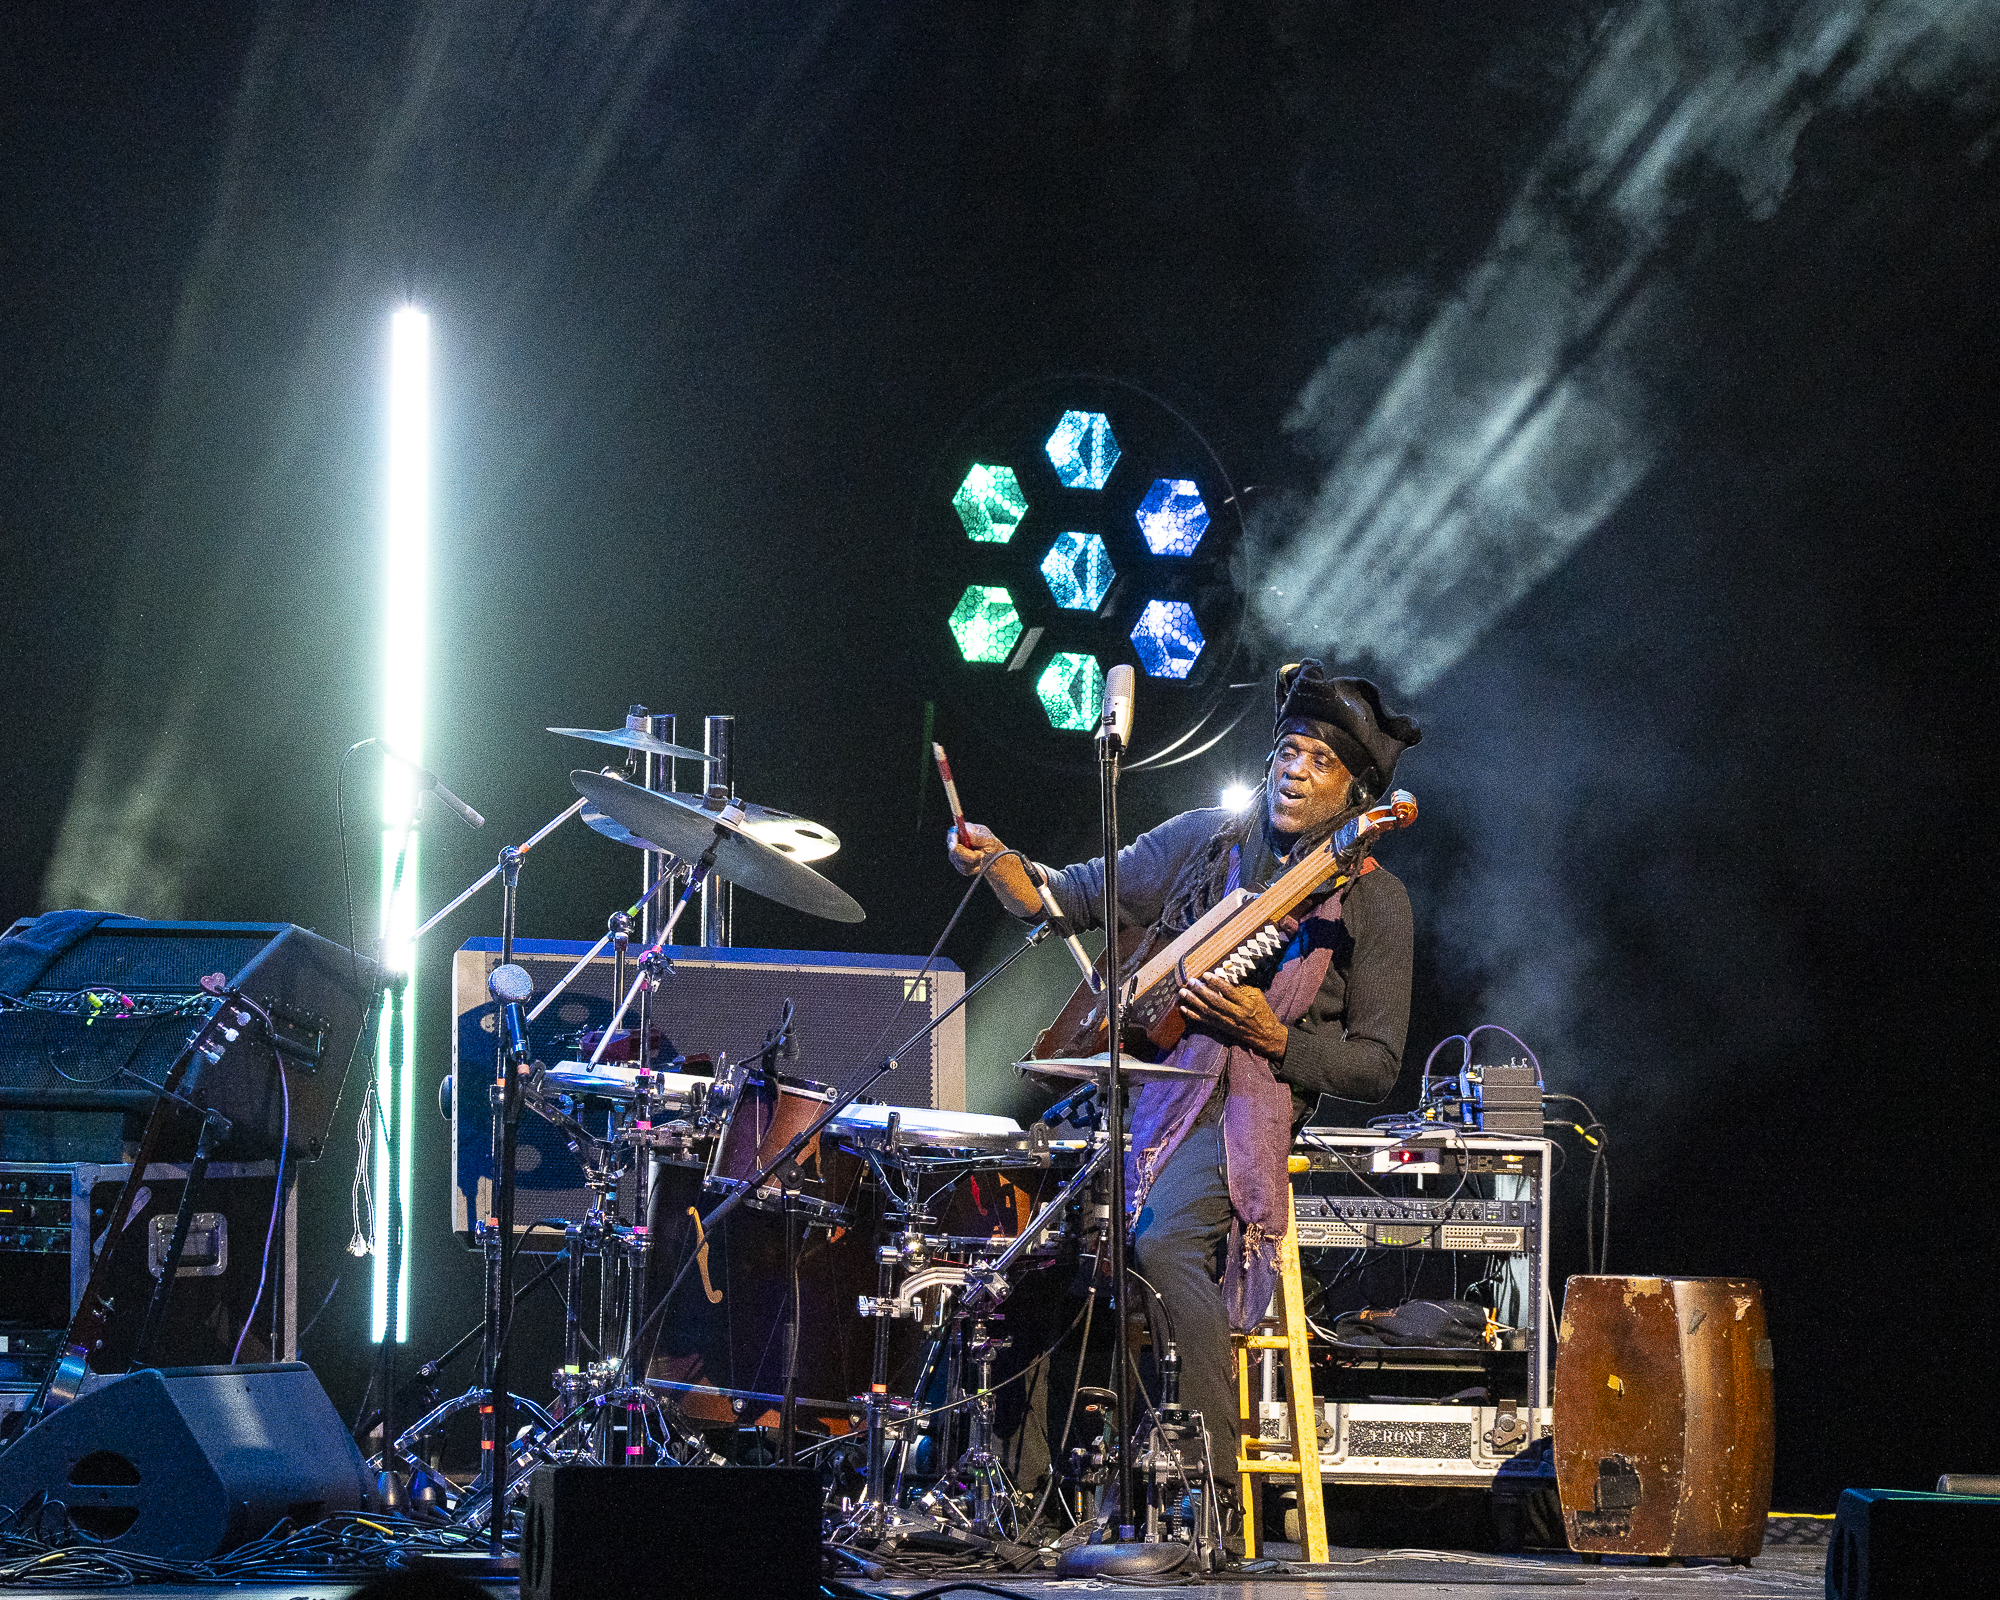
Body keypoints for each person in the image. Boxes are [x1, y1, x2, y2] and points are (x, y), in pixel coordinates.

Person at [947, 659, 1421, 1488]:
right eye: (1289, 750)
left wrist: (1276, 1036)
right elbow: (1069, 897)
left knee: (1159, 1243)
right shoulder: (1208, 841)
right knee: (1020, 1253)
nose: (1294, 769)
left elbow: (1377, 1068)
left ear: (1356, 791)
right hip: (1140, 1093)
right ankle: (1012, 1489)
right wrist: (997, 865)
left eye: (1321, 760)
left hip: (1242, 1113)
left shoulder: (1376, 902)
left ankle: (1203, 1480)